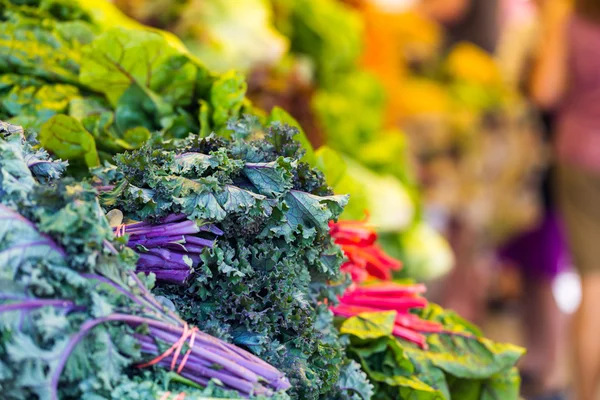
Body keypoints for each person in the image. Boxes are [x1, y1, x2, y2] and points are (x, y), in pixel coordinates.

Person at [530, 1, 600, 399]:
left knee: (593, 282)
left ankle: (587, 394)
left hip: (581, 157)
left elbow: (545, 89)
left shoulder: (569, 12)